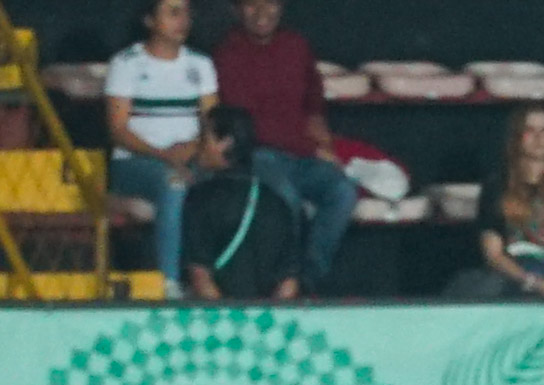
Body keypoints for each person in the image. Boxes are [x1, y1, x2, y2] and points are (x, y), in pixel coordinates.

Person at [212, 0, 358, 293]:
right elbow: (230, 122)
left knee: (343, 192)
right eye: (251, 5)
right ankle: (281, 283)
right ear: (237, 10)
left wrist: (326, 147)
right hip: (256, 155)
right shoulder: (226, 53)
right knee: (286, 199)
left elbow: (314, 108)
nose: (262, 12)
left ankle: (308, 280)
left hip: (302, 156)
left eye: (270, 4)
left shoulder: (296, 46)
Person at [105, 0, 216, 293]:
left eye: (187, 13)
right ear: (150, 21)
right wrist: (165, 156)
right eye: (172, 13)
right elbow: (118, 130)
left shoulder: (200, 64)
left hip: (189, 157)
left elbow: (211, 123)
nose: (183, 21)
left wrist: (190, 150)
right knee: (174, 182)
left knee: (225, 184)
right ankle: (168, 283)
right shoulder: (126, 63)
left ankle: (213, 281)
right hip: (135, 162)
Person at [446, 104, 544, 299]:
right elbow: (493, 255)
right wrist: (534, 283)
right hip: (513, 278)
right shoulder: (497, 185)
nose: (539, 138)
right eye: (530, 130)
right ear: (517, 137)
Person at [183, 105, 300, 300]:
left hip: (220, 322)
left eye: (204, 137)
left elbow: (201, 277)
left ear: (226, 143)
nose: (197, 145)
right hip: (266, 322)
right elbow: (288, 284)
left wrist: (228, 323)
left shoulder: (200, 199)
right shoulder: (277, 202)